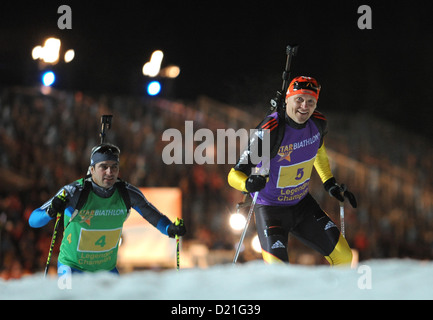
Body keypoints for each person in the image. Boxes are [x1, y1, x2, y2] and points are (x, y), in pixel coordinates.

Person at [228, 76, 357, 266]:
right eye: (299, 99)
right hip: (271, 210)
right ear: (287, 99)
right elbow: (234, 174)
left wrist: (329, 183)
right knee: (279, 271)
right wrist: (247, 183)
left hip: (302, 205)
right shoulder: (270, 130)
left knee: (344, 257)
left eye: (310, 101)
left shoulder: (318, 124)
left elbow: (318, 150)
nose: (304, 106)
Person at [29, 143, 186, 275]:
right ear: (92, 169)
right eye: (103, 167)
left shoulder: (127, 193)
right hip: (72, 269)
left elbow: (153, 215)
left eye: (114, 167)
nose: (110, 173)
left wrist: (170, 229)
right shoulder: (74, 192)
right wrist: (51, 211)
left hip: (107, 271)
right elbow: (33, 220)